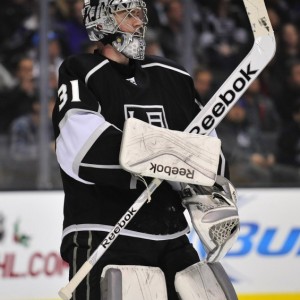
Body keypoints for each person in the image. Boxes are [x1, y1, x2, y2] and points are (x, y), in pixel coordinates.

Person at [52, 1, 238, 299]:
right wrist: (172, 158)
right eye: (128, 13)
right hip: (105, 232)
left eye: (140, 13)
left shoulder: (173, 77)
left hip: (172, 234)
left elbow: (208, 149)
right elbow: (83, 151)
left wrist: (206, 190)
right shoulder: (81, 72)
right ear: (101, 20)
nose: (139, 22)